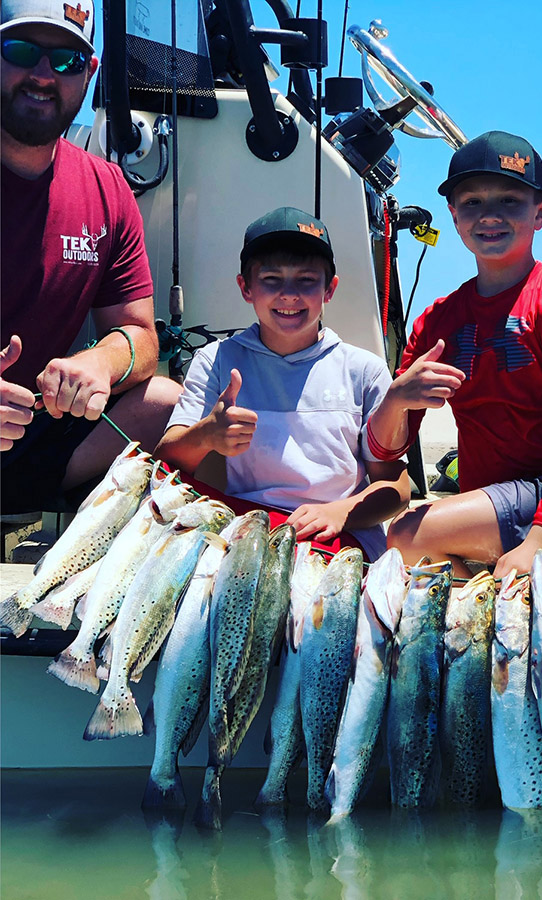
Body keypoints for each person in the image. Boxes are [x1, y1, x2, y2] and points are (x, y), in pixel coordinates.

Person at [367, 130, 542, 578]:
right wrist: (396, 399)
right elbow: (388, 451)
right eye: (472, 203)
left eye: (509, 201)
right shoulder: (437, 320)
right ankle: (492, 593)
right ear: (453, 214)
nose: (489, 216)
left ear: (541, 213)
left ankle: (509, 576)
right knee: (412, 549)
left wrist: (540, 542)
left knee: (406, 537)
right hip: (497, 504)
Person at [0, 0, 181, 513]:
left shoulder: (107, 188)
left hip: (34, 438)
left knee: (165, 402)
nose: (42, 75)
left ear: (89, 74)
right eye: (21, 50)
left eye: (66, 62)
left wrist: (100, 362)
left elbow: (142, 336)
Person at [155, 206, 410, 561]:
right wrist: (207, 435)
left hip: (341, 539)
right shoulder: (215, 360)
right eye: (271, 279)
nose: (289, 294)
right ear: (246, 288)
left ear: (329, 289)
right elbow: (166, 460)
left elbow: (396, 486)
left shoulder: (364, 370)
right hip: (245, 531)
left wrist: (339, 513)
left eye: (306, 280)